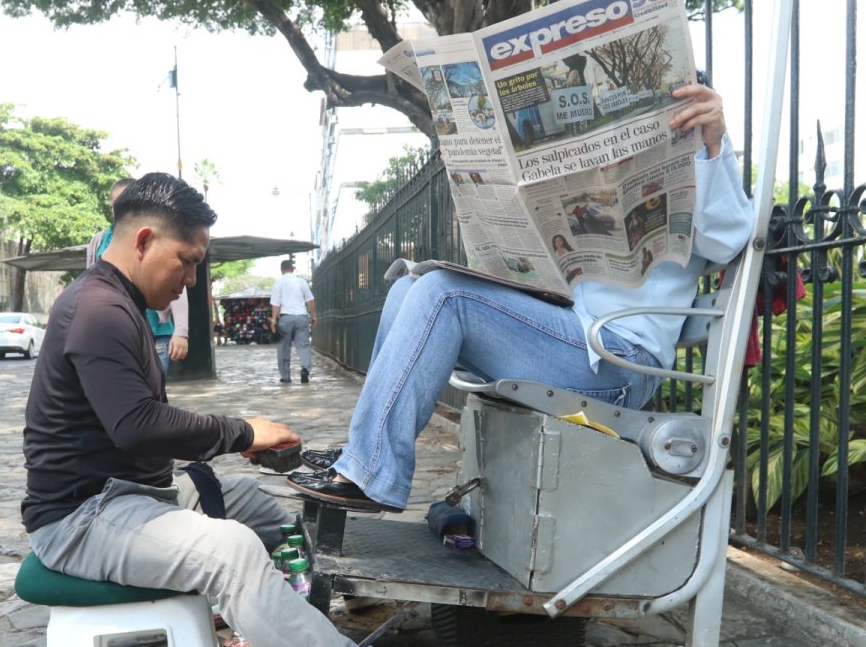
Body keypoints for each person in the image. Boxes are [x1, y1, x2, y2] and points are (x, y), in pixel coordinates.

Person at [288, 84, 755, 512]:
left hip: (618, 363)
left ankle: (372, 470)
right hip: (568, 336)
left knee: (441, 293)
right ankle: (365, 453)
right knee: (407, 286)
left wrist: (714, 145)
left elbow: (728, 240)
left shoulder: (702, 165)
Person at [23, 173, 354, 646]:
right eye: (188, 261)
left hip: (138, 493)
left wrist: (236, 442)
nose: (192, 280)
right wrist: (242, 432)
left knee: (253, 503)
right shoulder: (97, 309)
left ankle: (304, 607)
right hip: (81, 518)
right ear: (144, 241)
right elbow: (137, 425)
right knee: (232, 550)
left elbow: (142, 423)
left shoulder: (122, 303)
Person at [87, 177, 190, 376]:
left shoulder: (158, 238)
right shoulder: (100, 241)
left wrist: (181, 331)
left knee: (151, 387)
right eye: (116, 204)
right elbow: (90, 282)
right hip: (114, 330)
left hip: (155, 332)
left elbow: (177, 282)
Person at [269, 259, 316, 384]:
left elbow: (275, 304)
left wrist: (273, 320)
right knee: (303, 345)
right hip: (302, 317)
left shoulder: (278, 283)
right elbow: (310, 300)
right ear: (293, 269)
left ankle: (285, 376)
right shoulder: (302, 281)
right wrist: (314, 316)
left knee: (283, 347)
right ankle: (305, 369)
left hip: (285, 318)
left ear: (281, 269)